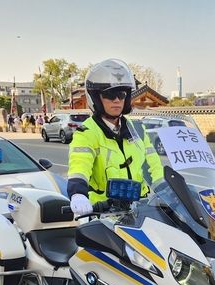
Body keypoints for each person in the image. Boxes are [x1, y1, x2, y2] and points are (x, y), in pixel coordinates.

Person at [67, 59, 163, 216]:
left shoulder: (138, 129)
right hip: (104, 214)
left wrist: (168, 192)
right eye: (110, 95)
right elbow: (79, 166)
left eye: (121, 94)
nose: (117, 100)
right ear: (96, 98)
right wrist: (78, 194)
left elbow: (155, 167)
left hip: (141, 210)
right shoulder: (87, 133)